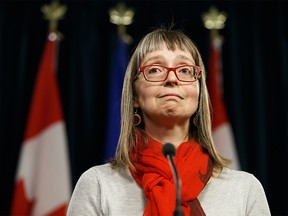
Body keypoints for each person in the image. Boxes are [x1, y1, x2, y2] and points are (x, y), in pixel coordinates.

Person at [66, 26, 271, 216]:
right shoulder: (98, 185)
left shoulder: (244, 189)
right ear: (134, 96)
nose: (171, 79)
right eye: (155, 69)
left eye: (184, 70)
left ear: (199, 94)